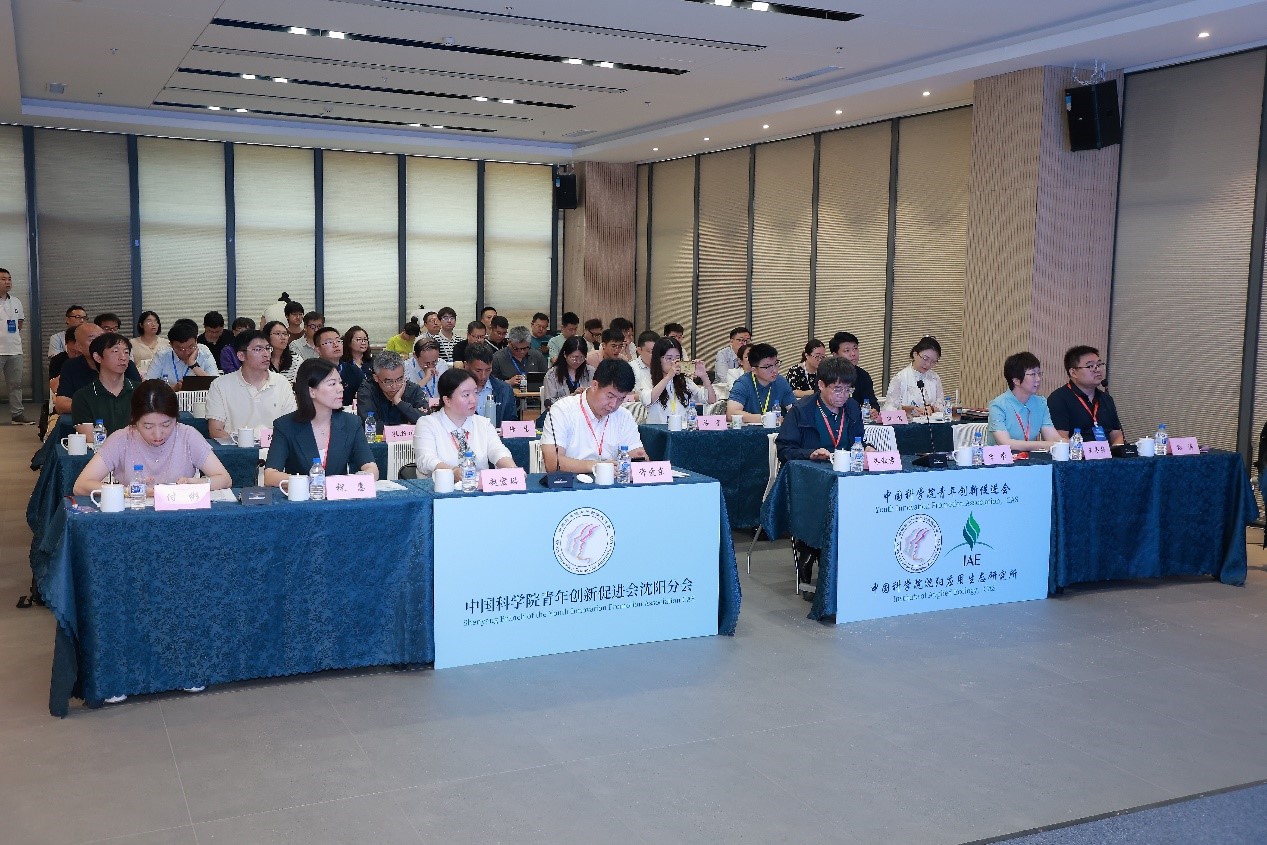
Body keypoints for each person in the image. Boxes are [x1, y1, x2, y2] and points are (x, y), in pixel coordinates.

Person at [776, 357, 868, 596]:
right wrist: (810, 453)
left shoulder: (852, 408)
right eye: (837, 389)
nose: (843, 395)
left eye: (847, 389)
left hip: (845, 477)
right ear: (820, 385)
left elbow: (859, 440)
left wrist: (867, 449)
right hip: (809, 477)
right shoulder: (802, 410)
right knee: (822, 502)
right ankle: (809, 552)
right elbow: (784, 449)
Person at [73, 379, 232, 496]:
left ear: (176, 418)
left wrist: (195, 483)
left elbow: (224, 479)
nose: (158, 434)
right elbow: (81, 486)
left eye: (166, 425)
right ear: (134, 420)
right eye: (148, 426)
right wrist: (129, 491)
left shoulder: (188, 436)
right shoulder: (121, 439)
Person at [264, 359, 379, 486]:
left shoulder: (351, 423)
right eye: (332, 384)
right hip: (302, 496)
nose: (340, 388)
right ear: (311, 391)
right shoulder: (285, 425)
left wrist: (355, 480)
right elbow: (270, 475)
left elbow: (371, 468)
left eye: (340, 383)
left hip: (339, 495)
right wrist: (311, 482)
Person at [541, 359, 647, 472]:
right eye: (610, 396)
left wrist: (639, 463)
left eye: (621, 399)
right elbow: (553, 462)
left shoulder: (623, 416)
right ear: (594, 385)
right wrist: (597, 467)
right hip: (569, 481)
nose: (613, 405)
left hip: (611, 481)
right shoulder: (561, 410)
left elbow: (639, 458)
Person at [415, 368, 517, 479]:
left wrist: (511, 468)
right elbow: (426, 460)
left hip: (478, 487)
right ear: (447, 400)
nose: (473, 400)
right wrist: (452, 472)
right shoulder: (427, 424)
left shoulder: (483, 423)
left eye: (475, 392)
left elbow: (497, 451)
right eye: (466, 395)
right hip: (439, 486)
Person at [205, 331, 297, 440]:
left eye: (268, 348)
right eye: (258, 349)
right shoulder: (220, 385)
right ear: (241, 356)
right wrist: (244, 442)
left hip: (275, 446)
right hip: (236, 447)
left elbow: (291, 427)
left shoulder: (282, 383)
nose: (266, 354)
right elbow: (215, 431)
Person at [54, 322, 143, 415]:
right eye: (92, 340)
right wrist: (98, 407)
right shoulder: (71, 366)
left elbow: (141, 397)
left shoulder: (123, 364)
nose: (100, 343)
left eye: (102, 338)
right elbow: (61, 405)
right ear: (79, 346)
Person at [1047, 345, 1124, 446]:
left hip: (1108, 455)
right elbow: (1061, 439)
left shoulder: (1106, 398)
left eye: (1099, 364)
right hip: (1077, 455)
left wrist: (1115, 453)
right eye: (1090, 366)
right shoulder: (1058, 399)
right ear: (1073, 372)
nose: (1097, 369)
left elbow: (1117, 435)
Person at [987, 352, 1063, 451]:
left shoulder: (1041, 403)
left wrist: (1068, 443)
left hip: (1030, 458)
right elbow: (1005, 443)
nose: (1038, 379)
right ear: (1016, 380)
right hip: (1002, 458)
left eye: (1039, 373)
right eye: (1033, 374)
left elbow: (1053, 438)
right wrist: (1046, 444)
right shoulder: (998, 405)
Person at [71, 333, 138, 435]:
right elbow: (91, 437)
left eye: (126, 352)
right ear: (97, 357)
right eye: (115, 351)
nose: (123, 357)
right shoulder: (83, 397)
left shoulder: (142, 391)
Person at [639, 337, 715, 424]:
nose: (674, 362)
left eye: (677, 358)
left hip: (682, 429)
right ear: (658, 359)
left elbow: (711, 400)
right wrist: (668, 377)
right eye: (669, 358)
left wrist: (704, 376)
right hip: (658, 430)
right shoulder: (648, 379)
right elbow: (648, 400)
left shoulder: (684, 381)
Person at [356, 350, 430, 432]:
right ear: (376, 378)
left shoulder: (413, 389)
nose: (394, 386)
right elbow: (369, 426)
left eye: (399, 379)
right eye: (388, 381)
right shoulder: (367, 390)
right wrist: (406, 427)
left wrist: (399, 402)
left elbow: (426, 422)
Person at [727, 343, 795, 423]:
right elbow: (731, 414)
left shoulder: (780, 381)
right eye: (767, 366)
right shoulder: (743, 384)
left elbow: (795, 410)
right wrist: (764, 419)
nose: (774, 370)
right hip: (749, 430)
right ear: (754, 370)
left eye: (776, 364)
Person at [144, 319, 219, 388]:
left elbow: (217, 385)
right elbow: (147, 386)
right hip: (169, 397)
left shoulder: (204, 352)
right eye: (181, 349)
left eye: (190, 347)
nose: (187, 352)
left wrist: (193, 365)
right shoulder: (162, 355)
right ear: (171, 345)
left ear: (196, 341)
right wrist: (173, 388)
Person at [0, 267, 32, 424]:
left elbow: (19, 323)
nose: (7, 282)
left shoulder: (16, 301)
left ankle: (17, 415)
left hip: (14, 350)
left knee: (16, 385)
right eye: (3, 279)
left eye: (9, 279)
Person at [884, 336, 944, 416]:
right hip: (909, 422)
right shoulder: (900, 378)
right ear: (915, 354)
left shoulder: (935, 378)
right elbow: (888, 409)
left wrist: (932, 408)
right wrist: (906, 410)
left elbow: (942, 405)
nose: (928, 364)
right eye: (925, 358)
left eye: (933, 361)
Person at [828, 332, 879, 414]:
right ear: (835, 355)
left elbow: (871, 402)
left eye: (855, 349)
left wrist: (874, 411)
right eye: (847, 350)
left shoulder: (863, 375)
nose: (853, 354)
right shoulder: (827, 375)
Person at [464, 346, 518, 423]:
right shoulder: (456, 390)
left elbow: (511, 422)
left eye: (488, 370)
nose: (483, 376)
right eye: (478, 371)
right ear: (466, 366)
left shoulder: (505, 390)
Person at [542, 336, 594, 411]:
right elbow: (549, 402)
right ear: (565, 354)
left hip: (584, 413)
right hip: (560, 413)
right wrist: (572, 397)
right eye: (574, 358)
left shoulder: (590, 371)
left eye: (582, 358)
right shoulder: (552, 374)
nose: (578, 361)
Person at [313, 326, 361, 406]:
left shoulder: (353, 370)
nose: (335, 345)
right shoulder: (312, 371)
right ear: (318, 350)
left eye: (338, 341)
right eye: (329, 342)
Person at [130, 311, 169, 376]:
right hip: (140, 379)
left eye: (156, 321)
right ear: (141, 325)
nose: (153, 324)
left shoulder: (166, 343)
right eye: (149, 321)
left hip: (162, 379)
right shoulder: (132, 343)